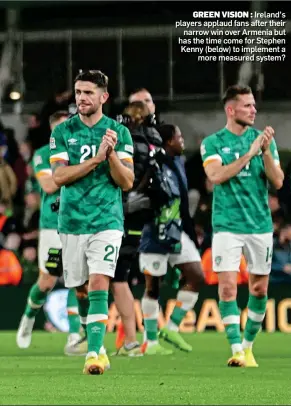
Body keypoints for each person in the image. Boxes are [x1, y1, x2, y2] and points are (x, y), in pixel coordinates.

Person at [49, 70, 134, 375]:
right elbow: (59, 177)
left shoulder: (118, 133)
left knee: (100, 282)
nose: (81, 98)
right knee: (81, 289)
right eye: (78, 92)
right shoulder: (62, 132)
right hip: (72, 221)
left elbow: (126, 182)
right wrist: (96, 160)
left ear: (103, 97)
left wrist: (110, 155)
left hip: (107, 220)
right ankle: (91, 336)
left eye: (87, 93)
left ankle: (94, 354)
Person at [200, 84, 284, 367]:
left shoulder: (264, 141)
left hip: (260, 225)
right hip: (227, 225)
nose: (253, 110)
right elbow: (216, 175)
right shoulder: (212, 143)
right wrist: (248, 154)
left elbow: (278, 181)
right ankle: (235, 348)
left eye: (253, 105)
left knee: (259, 290)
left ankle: (248, 346)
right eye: (247, 105)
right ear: (230, 109)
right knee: (227, 289)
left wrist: (266, 153)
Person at [16, 111, 85, 355]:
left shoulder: (81, 151)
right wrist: (80, 171)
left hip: (79, 222)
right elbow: (48, 184)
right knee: (47, 281)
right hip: (52, 224)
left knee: (78, 279)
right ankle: (28, 317)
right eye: (58, 127)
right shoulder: (43, 155)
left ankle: (75, 335)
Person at [139, 124, 204, 355]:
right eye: (179, 136)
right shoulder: (153, 163)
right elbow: (138, 193)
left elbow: (183, 201)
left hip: (177, 230)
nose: (183, 140)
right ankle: (151, 341)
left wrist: (190, 230)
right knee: (153, 288)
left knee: (196, 275)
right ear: (168, 142)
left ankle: (172, 327)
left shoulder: (178, 162)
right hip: (155, 232)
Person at [112, 101, 162, 356]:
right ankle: (132, 339)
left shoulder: (129, 140)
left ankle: (131, 340)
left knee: (117, 277)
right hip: (143, 213)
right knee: (121, 276)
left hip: (124, 210)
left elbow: (122, 177)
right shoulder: (156, 139)